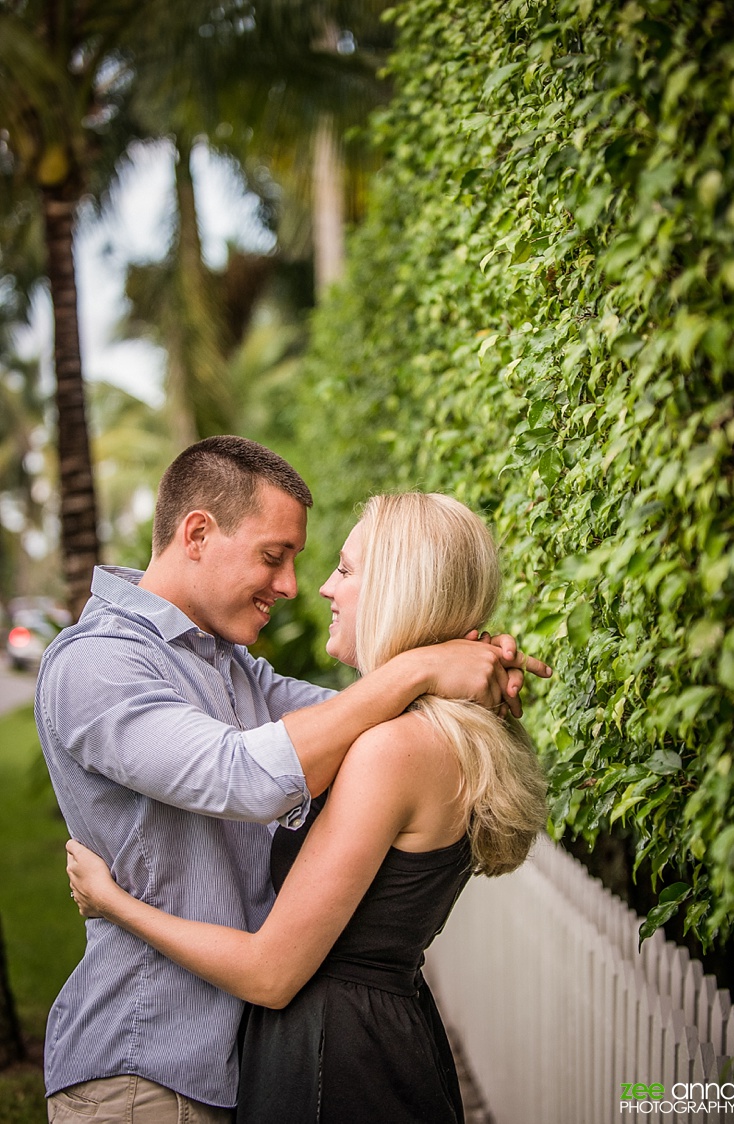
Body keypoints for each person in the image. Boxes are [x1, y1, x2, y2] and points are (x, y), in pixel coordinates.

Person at [38, 437, 550, 1122]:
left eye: (321, 564)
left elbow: (351, 723)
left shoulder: (232, 668)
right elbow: (246, 775)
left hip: (248, 1062)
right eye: (273, 556)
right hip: (146, 1067)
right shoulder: (98, 664)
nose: (294, 586)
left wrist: (471, 664)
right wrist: (423, 670)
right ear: (197, 534)